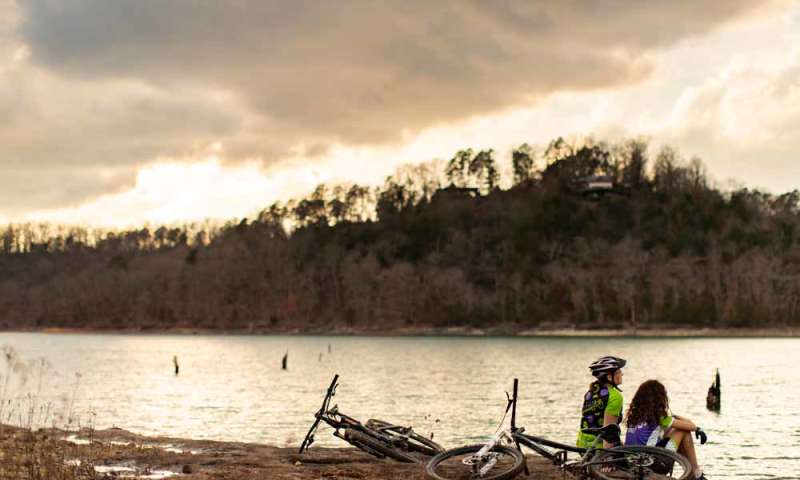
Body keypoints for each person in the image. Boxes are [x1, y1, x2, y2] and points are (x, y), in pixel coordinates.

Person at [625, 379, 708, 480]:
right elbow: (690, 425)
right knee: (683, 432)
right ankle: (696, 473)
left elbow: (659, 436)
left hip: (632, 463)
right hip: (653, 464)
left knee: (671, 431)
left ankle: (692, 473)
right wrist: (698, 429)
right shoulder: (659, 417)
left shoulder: (634, 416)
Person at [577, 355, 626, 449]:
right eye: (618, 372)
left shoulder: (591, 391)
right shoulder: (615, 396)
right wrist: (607, 456)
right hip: (598, 447)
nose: (622, 374)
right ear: (609, 377)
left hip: (582, 444)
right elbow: (608, 432)